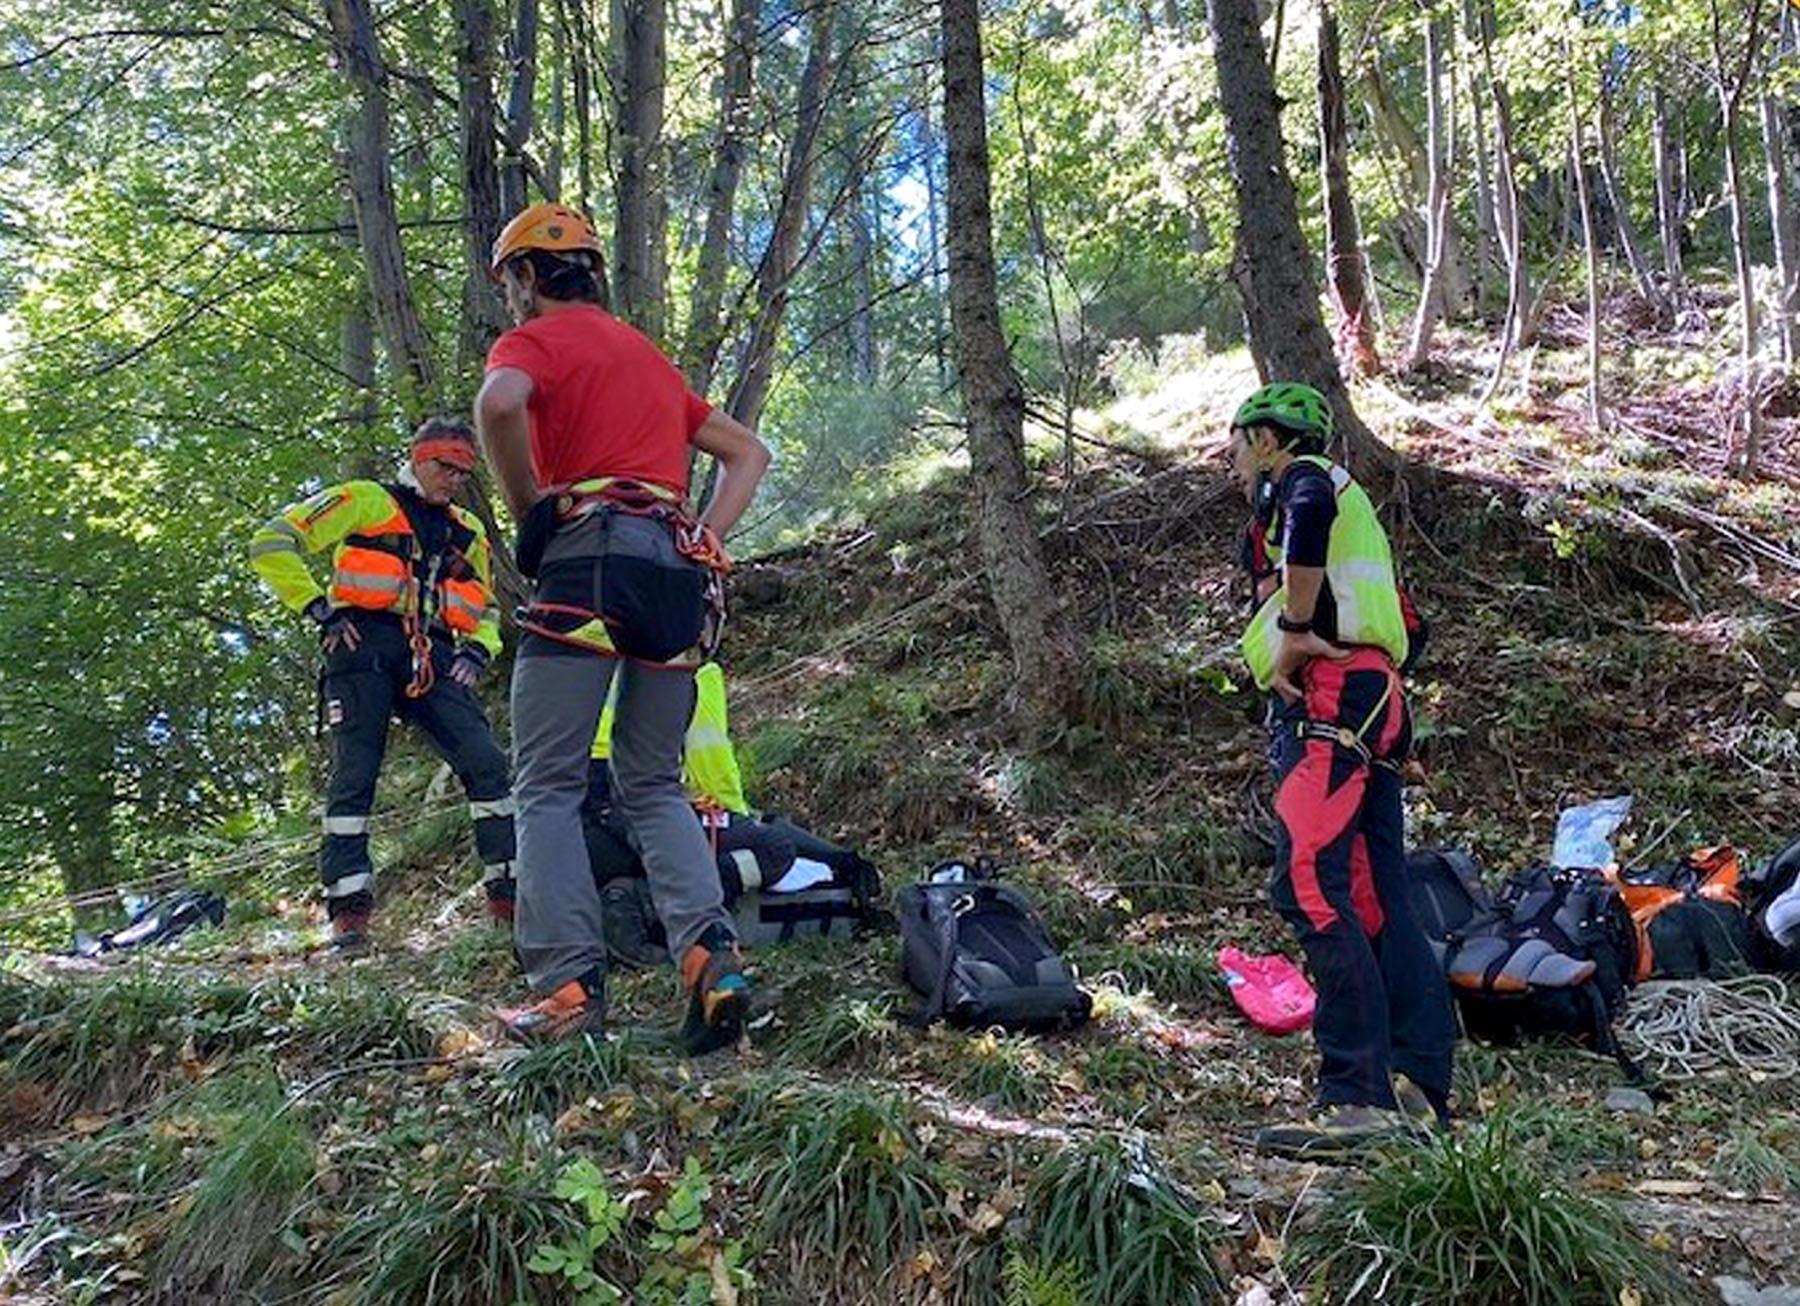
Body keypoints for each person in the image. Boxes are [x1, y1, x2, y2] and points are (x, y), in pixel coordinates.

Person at [475, 202, 771, 1051]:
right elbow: (749, 453)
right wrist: (710, 535)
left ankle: (566, 985)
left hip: (590, 561)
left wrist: (530, 507)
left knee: (548, 784)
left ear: (527, 277)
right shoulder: (644, 354)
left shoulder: (535, 341)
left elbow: (499, 405)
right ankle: (711, 958)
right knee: (651, 782)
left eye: (513, 282)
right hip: (676, 574)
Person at [1226, 382, 1455, 1159]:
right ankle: (1417, 1083)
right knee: (1372, 893)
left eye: (1237, 442)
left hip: (1336, 703)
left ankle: (1356, 1098)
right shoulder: (1300, 515)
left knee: (1309, 884)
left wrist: (1296, 631)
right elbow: (1409, 627)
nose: (1232, 458)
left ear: (1266, 438)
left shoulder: (1306, 480)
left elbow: (1310, 518)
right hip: (1368, 701)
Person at [248, 420, 516, 948]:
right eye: (445, 467)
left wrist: (481, 648)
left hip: (436, 654)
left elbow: (484, 603)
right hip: (361, 646)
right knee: (355, 776)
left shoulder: (469, 530)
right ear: (418, 458)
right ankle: (349, 917)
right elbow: (272, 541)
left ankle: (509, 898)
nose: (454, 479)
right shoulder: (365, 500)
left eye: (463, 472)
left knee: (486, 762)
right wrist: (318, 608)